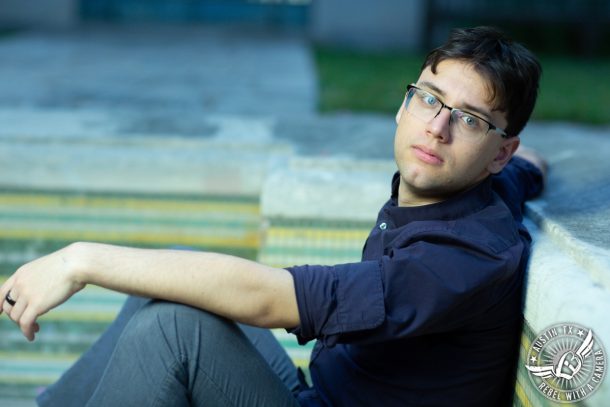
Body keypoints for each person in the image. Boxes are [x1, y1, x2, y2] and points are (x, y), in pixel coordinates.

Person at [1, 26, 546, 406]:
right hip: (319, 394)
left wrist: (80, 260)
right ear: (405, 105)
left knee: (171, 332)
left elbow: (268, 299)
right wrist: (530, 163)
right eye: (430, 99)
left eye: (470, 120)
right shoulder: (495, 182)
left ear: (497, 151)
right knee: (176, 277)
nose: (437, 128)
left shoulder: (462, 259)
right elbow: (529, 167)